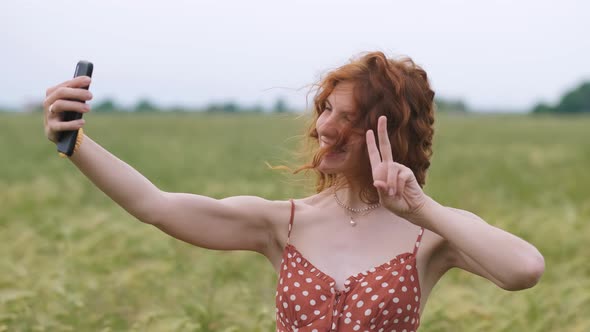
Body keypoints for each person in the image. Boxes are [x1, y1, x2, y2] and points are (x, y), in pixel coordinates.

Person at [42, 51, 545, 331]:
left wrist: (422, 208)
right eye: (326, 108)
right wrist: (76, 143)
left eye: (347, 118)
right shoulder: (282, 222)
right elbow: (155, 206)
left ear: (390, 135)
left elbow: (523, 270)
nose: (325, 127)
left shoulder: (432, 235)